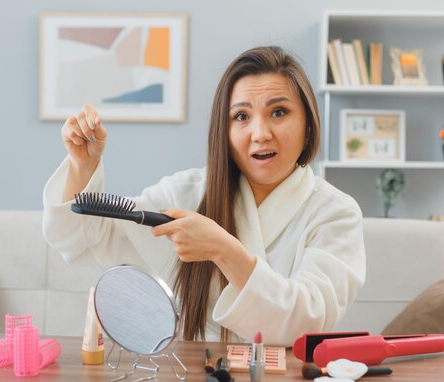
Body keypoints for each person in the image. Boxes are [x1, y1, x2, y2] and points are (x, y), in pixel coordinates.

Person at [43, 45, 365, 346]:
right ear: (223, 132)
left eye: (278, 112)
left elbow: (306, 322)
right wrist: (81, 165)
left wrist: (222, 249)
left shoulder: (335, 213)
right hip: (198, 377)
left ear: (308, 124)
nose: (260, 133)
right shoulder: (186, 193)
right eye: (241, 116)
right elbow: (82, 239)